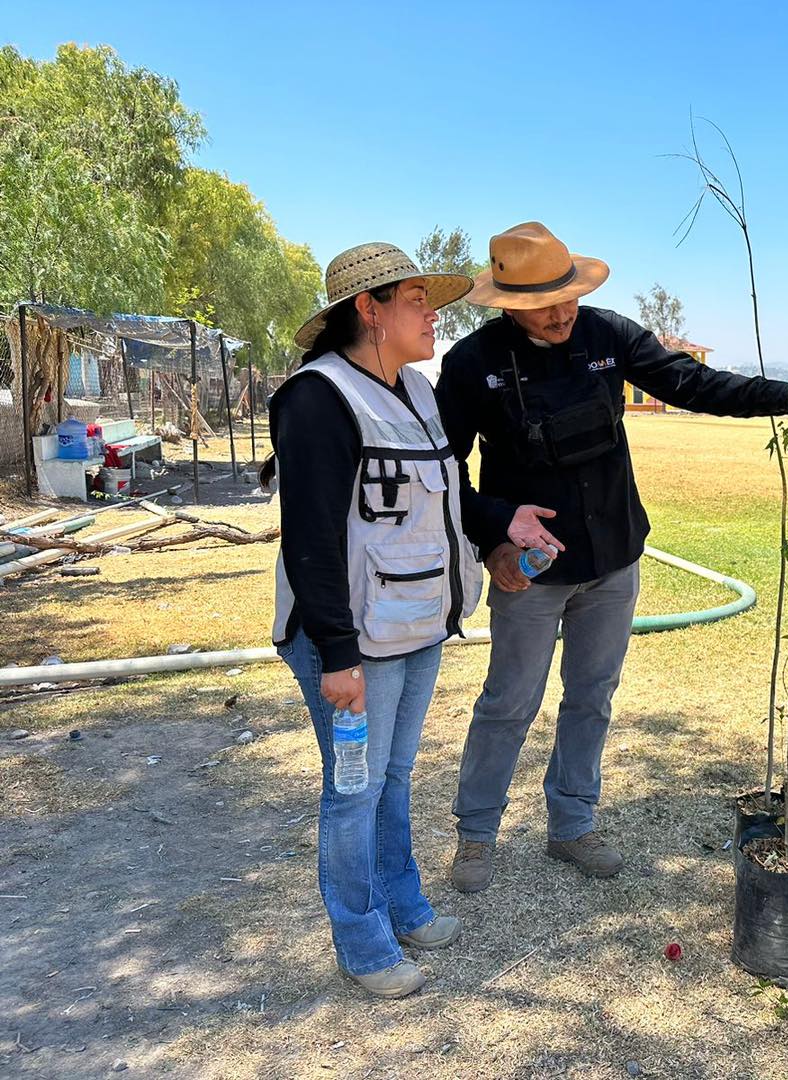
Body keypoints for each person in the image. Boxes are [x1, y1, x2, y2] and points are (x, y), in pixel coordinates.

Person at [436, 221, 788, 891]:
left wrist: (785, 397)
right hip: (531, 572)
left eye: (567, 298)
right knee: (509, 701)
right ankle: (475, 835)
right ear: (507, 303)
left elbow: (693, 384)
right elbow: (444, 473)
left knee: (592, 697)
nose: (560, 314)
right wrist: (493, 538)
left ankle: (572, 826)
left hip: (614, 557)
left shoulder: (609, 336)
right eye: (542, 304)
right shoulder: (472, 365)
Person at [269, 242, 560, 998]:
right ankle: (361, 941)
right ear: (368, 309)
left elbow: (449, 493)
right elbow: (310, 539)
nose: (434, 312)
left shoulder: (420, 392)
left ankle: (403, 904)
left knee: (394, 778)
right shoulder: (318, 398)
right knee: (353, 789)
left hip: (418, 625)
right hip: (353, 639)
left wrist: (504, 524)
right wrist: (336, 654)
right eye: (415, 298)